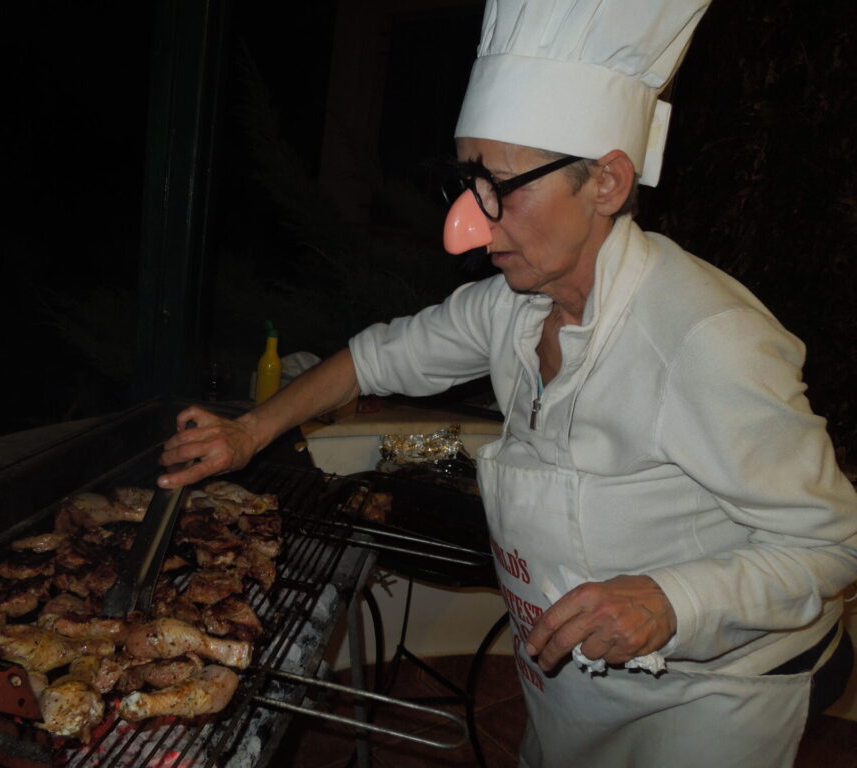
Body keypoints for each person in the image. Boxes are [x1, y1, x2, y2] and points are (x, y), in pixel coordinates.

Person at [159, 1, 857, 765]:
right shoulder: (512, 304)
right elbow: (374, 359)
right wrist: (249, 432)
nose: (467, 224)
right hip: (573, 679)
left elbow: (831, 542)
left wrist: (671, 600)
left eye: (501, 185)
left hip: (714, 690)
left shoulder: (705, 342)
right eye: (467, 181)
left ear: (608, 183)